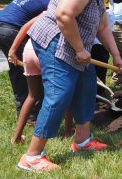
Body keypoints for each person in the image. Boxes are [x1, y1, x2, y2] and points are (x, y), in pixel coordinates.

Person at [17, 0, 122, 172]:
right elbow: (64, 15)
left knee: (86, 87)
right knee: (59, 94)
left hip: (74, 46)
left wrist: (116, 56)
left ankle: (83, 141)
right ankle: (32, 156)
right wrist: (79, 49)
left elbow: (103, 26)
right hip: (56, 43)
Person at [0, 0, 55, 118]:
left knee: (17, 70)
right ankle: (33, 114)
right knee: (33, 73)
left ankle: (23, 112)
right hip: (11, 31)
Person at [8, 16, 73, 145]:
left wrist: (13, 49)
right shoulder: (69, 12)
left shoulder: (46, 12)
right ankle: (68, 132)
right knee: (65, 92)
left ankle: (16, 137)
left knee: (32, 95)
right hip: (47, 51)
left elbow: (25, 27)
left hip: (30, 49)